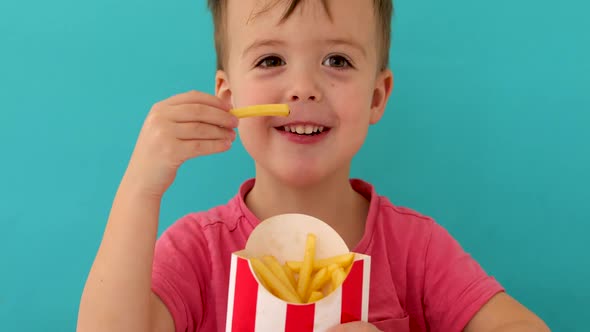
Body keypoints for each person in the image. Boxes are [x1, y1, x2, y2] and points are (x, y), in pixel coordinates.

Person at [77, 0, 550, 331]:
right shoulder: (197, 252)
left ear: (377, 96)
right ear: (228, 97)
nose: (303, 87)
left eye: (337, 59)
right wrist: (141, 187)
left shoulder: (417, 250)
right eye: (271, 60)